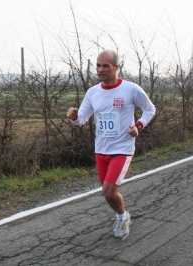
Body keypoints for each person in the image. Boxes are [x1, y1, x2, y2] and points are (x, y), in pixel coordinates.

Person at [66, 50, 155, 240]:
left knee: (108, 191)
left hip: (122, 149)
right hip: (101, 149)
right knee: (109, 193)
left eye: (105, 65)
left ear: (116, 67)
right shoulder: (93, 92)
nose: (100, 69)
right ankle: (121, 215)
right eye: (98, 65)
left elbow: (150, 109)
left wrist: (138, 125)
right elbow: (81, 119)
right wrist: (74, 116)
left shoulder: (131, 89)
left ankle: (122, 218)